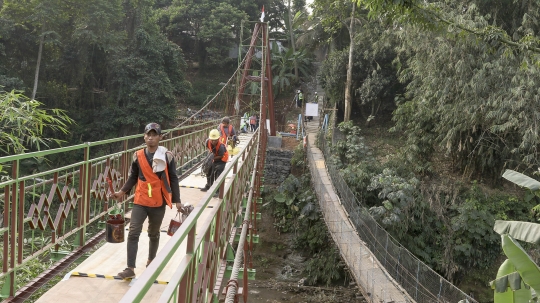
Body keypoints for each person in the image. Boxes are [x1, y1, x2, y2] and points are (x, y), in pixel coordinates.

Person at [109, 123, 183, 279]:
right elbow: (133, 177)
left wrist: (177, 200)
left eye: (154, 135)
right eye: (148, 135)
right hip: (141, 200)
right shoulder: (138, 155)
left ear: (160, 137)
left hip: (158, 201)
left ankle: (151, 261)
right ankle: (130, 268)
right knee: (133, 231)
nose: (150, 137)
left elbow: (174, 178)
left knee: (153, 234)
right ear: (144, 137)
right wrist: (121, 193)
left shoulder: (167, 156)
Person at [200, 129, 229, 195]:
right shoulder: (208, 142)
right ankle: (208, 186)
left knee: (218, 174)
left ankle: (217, 191)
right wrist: (210, 156)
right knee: (209, 171)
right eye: (212, 140)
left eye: (215, 140)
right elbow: (209, 148)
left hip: (221, 160)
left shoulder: (221, 146)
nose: (213, 141)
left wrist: (212, 158)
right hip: (214, 157)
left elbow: (221, 156)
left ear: (218, 138)